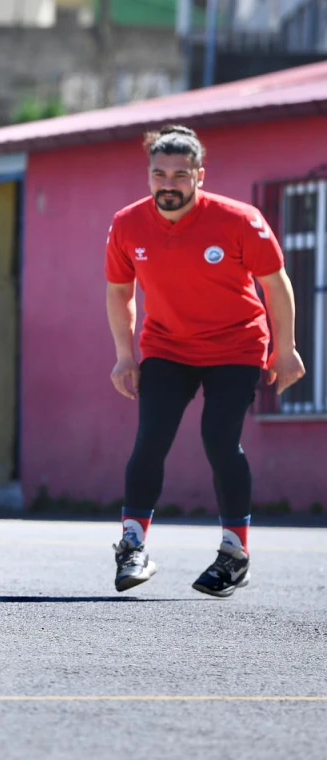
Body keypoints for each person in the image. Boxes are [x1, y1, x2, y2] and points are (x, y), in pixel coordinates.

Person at [105, 125, 305, 598]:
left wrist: (286, 348)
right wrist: (124, 356)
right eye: (159, 174)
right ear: (149, 176)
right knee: (151, 438)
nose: (168, 185)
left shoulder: (239, 220)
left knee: (219, 439)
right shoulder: (128, 224)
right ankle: (132, 546)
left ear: (200, 175)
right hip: (167, 347)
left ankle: (235, 554)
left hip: (236, 346)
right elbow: (119, 292)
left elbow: (276, 285)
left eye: (180, 175)